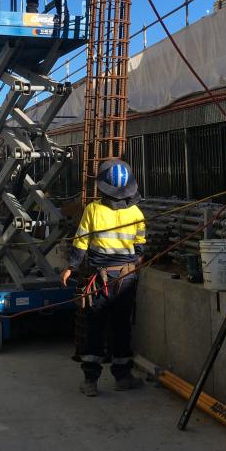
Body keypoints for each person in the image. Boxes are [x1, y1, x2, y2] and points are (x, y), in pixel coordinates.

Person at [61, 159, 146, 397]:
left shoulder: (93, 210)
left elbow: (81, 243)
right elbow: (140, 249)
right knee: (122, 327)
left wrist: (71, 267)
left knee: (95, 327)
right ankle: (122, 377)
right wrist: (132, 263)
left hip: (99, 281)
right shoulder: (136, 212)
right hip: (126, 279)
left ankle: (90, 381)